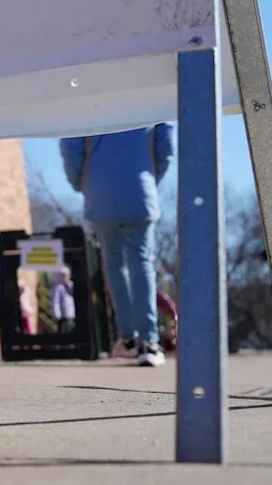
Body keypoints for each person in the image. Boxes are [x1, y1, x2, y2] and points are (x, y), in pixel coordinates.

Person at [61, 124, 174, 367]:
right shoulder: (147, 98)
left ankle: (128, 338)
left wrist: (81, 183)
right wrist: (150, 178)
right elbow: (165, 146)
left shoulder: (89, 100)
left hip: (100, 195)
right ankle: (149, 341)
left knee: (114, 267)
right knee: (142, 264)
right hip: (140, 192)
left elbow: (71, 148)